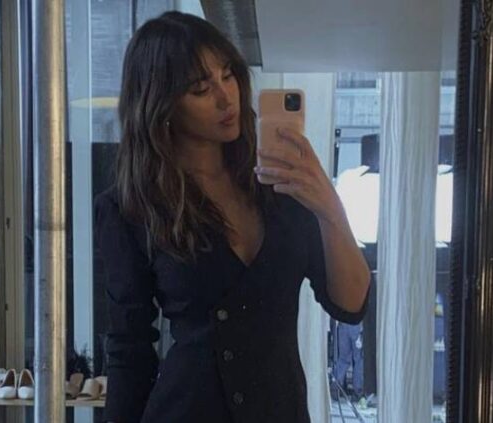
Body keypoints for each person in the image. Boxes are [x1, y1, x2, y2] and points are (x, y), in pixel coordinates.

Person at [94, 11, 372, 423]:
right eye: (200, 88)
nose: (227, 98)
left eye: (228, 75)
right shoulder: (132, 207)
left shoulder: (282, 186)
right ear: (162, 105)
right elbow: (129, 349)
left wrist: (330, 207)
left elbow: (350, 305)